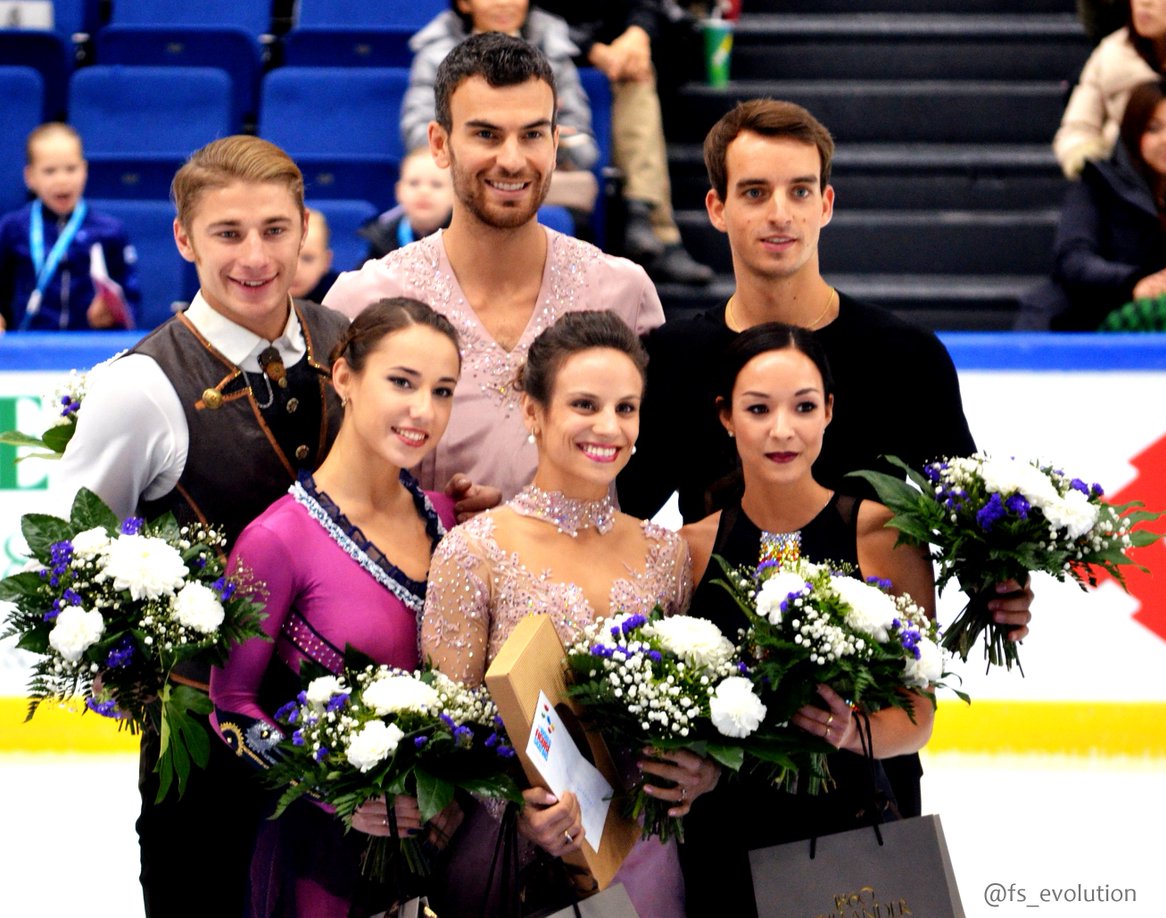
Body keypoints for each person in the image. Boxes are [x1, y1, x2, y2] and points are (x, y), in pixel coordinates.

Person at [617, 98, 1033, 819]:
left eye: (798, 191)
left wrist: (1001, 587)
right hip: (716, 762)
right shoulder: (674, 362)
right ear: (716, 208)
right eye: (754, 192)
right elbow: (615, 517)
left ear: (827, 204)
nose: (779, 213)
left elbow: (969, 524)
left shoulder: (906, 360)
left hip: (863, 761)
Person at [52, 134, 350, 916]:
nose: (255, 255)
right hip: (204, 757)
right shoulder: (142, 387)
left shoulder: (343, 339)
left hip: (348, 736)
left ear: (304, 227)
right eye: (228, 233)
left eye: (275, 230)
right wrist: (134, 668)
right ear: (183, 238)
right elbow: (64, 547)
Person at [421, 310, 717, 918]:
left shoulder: (666, 554)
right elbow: (447, 729)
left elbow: (690, 713)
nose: (609, 427)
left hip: (640, 856)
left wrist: (701, 770)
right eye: (585, 404)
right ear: (532, 410)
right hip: (510, 852)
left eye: (626, 408)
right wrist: (518, 809)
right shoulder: (476, 549)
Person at [326, 33, 664, 502]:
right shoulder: (363, 300)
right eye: (486, 134)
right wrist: (439, 518)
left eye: (532, 135)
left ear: (555, 142)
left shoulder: (623, 292)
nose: (511, 159)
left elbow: (654, 485)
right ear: (439, 145)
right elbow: (336, 492)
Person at [210, 298, 462, 917]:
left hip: (441, 853)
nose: (422, 411)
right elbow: (231, 708)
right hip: (320, 865)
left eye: (443, 391)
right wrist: (335, 790)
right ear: (344, 376)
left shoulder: (449, 519)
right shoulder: (276, 540)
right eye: (401, 382)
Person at [678, 324, 936, 916]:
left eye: (803, 406)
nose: (782, 430)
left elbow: (919, 715)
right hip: (727, 833)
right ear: (726, 416)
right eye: (758, 409)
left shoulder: (883, 534)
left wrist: (851, 732)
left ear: (829, 412)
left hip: (857, 827)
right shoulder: (690, 549)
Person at [534, 0, 715, 284]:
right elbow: (520, 13)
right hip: (550, 51)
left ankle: (642, 214)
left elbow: (648, 5)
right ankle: (659, 231)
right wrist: (593, 49)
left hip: (617, 56)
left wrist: (638, 33)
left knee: (638, 75)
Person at [1022, 78, 1166, 330]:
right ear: (1132, 133)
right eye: (1154, 129)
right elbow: (1073, 259)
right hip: (1094, 318)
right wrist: (1135, 284)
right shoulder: (1097, 183)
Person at [401, 1, 601, 219]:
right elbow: (417, 130)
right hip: (458, 178)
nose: (504, 3)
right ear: (464, 4)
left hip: (547, 184)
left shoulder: (554, 51)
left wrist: (547, 138)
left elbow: (584, 149)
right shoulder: (435, 55)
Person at [0, 122, 141, 331]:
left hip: (88, 349)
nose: (62, 180)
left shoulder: (110, 230)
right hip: (28, 347)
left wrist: (114, 314)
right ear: (30, 177)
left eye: (71, 169)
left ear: (84, 170)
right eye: (49, 171)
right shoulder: (13, 228)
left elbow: (131, 299)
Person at [1055, 0, 1166, 178]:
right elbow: (1078, 129)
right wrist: (1098, 173)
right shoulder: (1109, 55)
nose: (1144, 3)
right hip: (1121, 189)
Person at [358, 148, 454, 261]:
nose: (424, 191)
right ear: (398, 191)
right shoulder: (380, 239)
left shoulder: (467, 240)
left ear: (455, 195)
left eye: (436, 184)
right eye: (414, 183)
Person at [289, 207, 337, 303]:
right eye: (288, 257)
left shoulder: (340, 294)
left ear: (326, 261)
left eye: (307, 259)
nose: (296, 269)